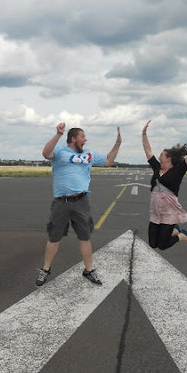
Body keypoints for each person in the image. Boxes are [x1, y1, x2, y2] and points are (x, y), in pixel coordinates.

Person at [36, 122, 122, 286]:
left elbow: (108, 161)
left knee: (85, 236)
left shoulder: (89, 154)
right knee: (54, 237)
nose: (86, 139)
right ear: (73, 138)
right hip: (61, 202)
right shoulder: (61, 151)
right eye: (83, 136)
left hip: (81, 201)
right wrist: (58, 134)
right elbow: (46, 153)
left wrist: (117, 143)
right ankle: (45, 270)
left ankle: (89, 270)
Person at [142, 120, 187, 250]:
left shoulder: (178, 171)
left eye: (162, 155)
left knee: (163, 245)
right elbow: (148, 150)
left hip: (169, 213)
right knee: (153, 244)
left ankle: (181, 236)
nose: (159, 156)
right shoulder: (156, 168)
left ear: (168, 158)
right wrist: (144, 134)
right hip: (155, 212)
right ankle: (175, 231)